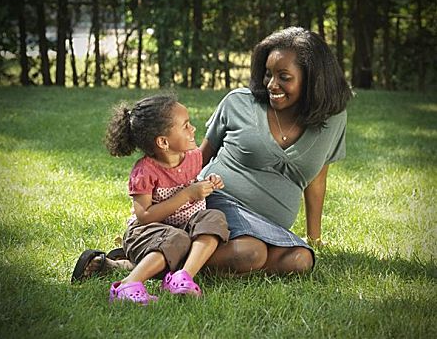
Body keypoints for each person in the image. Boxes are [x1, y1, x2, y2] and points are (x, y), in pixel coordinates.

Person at [73, 26, 351, 280]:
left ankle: (156, 258)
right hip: (218, 205)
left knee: (301, 260)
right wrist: (165, 203)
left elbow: (316, 178)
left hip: (269, 224)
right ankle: (143, 263)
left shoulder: (333, 118)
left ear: (314, 79)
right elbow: (198, 157)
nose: (271, 85)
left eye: (284, 77)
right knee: (249, 254)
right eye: (268, 74)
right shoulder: (239, 104)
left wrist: (314, 238)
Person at [72, 94, 229, 305]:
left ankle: (182, 278)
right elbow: (144, 215)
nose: (193, 129)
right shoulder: (144, 172)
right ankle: (127, 284)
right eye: (185, 126)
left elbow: (193, 181)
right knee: (177, 240)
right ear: (163, 142)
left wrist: (210, 181)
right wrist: (187, 195)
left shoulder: (193, 156)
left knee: (214, 217)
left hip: (184, 227)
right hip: (148, 232)